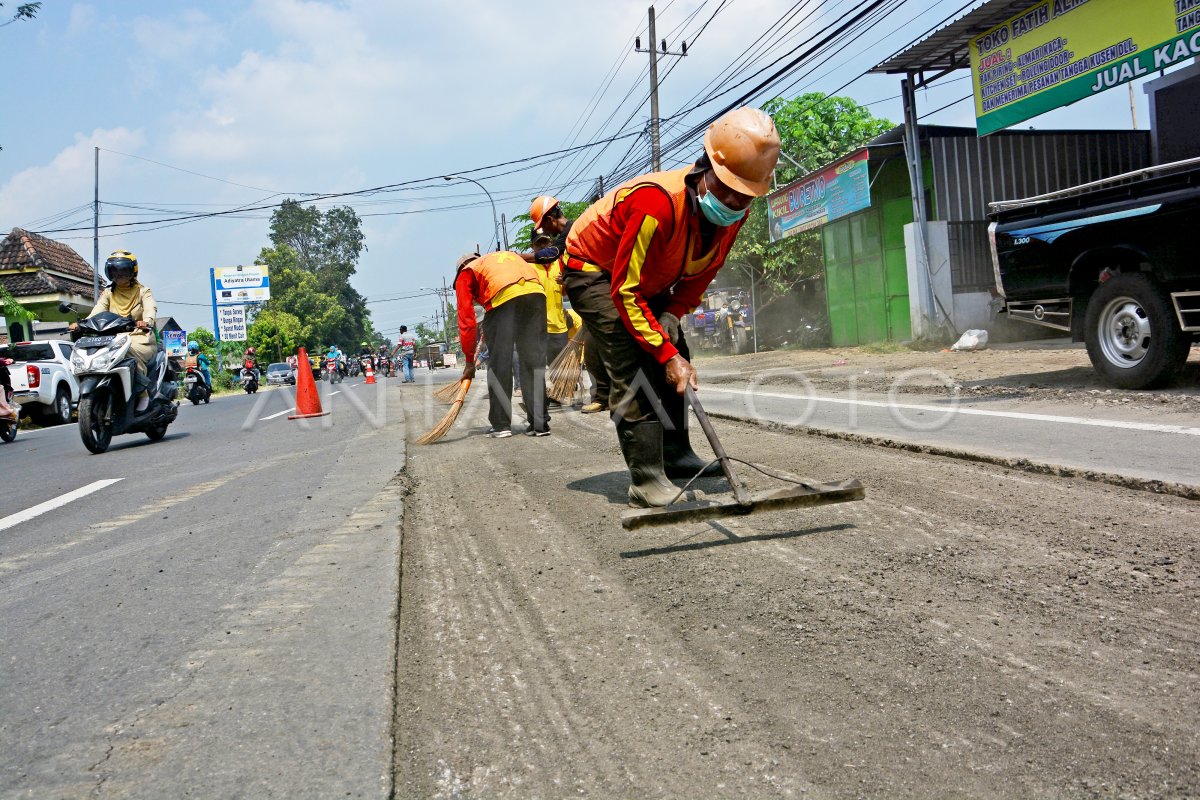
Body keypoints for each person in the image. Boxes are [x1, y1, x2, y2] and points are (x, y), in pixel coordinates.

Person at [561, 106, 780, 507]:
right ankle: (646, 480)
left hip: (647, 278)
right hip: (594, 271)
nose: (734, 200)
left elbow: (702, 273)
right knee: (632, 359)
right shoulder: (656, 202)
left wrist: (671, 315)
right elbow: (625, 291)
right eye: (727, 188)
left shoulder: (734, 215)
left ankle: (677, 456)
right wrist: (661, 351)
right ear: (705, 169)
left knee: (677, 354)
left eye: (745, 194)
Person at [526, 195, 612, 414]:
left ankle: (610, 397)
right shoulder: (568, 237)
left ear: (550, 219)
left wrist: (517, 257)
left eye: (544, 225)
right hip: (587, 305)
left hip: (598, 298)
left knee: (602, 351)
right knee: (593, 353)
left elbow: (550, 254)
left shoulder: (573, 230)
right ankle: (604, 396)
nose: (546, 232)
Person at [454, 251, 549, 437]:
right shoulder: (501, 258)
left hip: (503, 299)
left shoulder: (466, 272)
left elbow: (466, 322)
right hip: (536, 294)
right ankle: (540, 424)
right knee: (533, 360)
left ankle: (501, 425)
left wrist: (469, 361)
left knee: (500, 364)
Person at [75, 250, 159, 412]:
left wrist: (147, 321)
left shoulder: (143, 291)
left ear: (133, 271)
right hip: (113, 338)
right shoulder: (108, 293)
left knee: (129, 351)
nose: (119, 274)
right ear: (109, 272)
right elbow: (97, 311)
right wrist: (82, 324)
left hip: (139, 336)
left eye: (124, 270)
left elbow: (150, 308)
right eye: (115, 270)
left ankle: (142, 393)